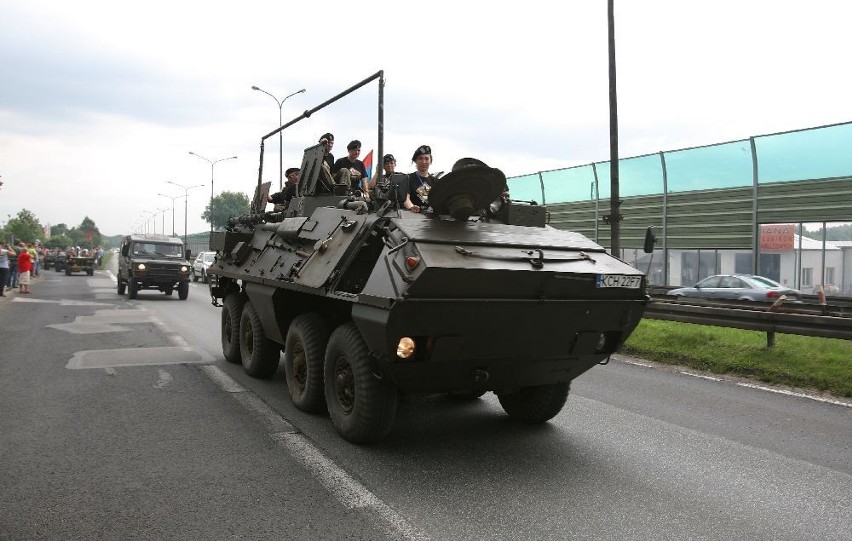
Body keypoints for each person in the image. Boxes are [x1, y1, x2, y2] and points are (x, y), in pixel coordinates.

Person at [404, 144, 437, 213]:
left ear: (431, 161)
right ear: (416, 161)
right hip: (413, 217)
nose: (424, 162)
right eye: (420, 158)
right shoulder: (408, 178)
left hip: (432, 218)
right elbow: (406, 198)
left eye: (426, 158)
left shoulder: (436, 181)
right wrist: (411, 207)